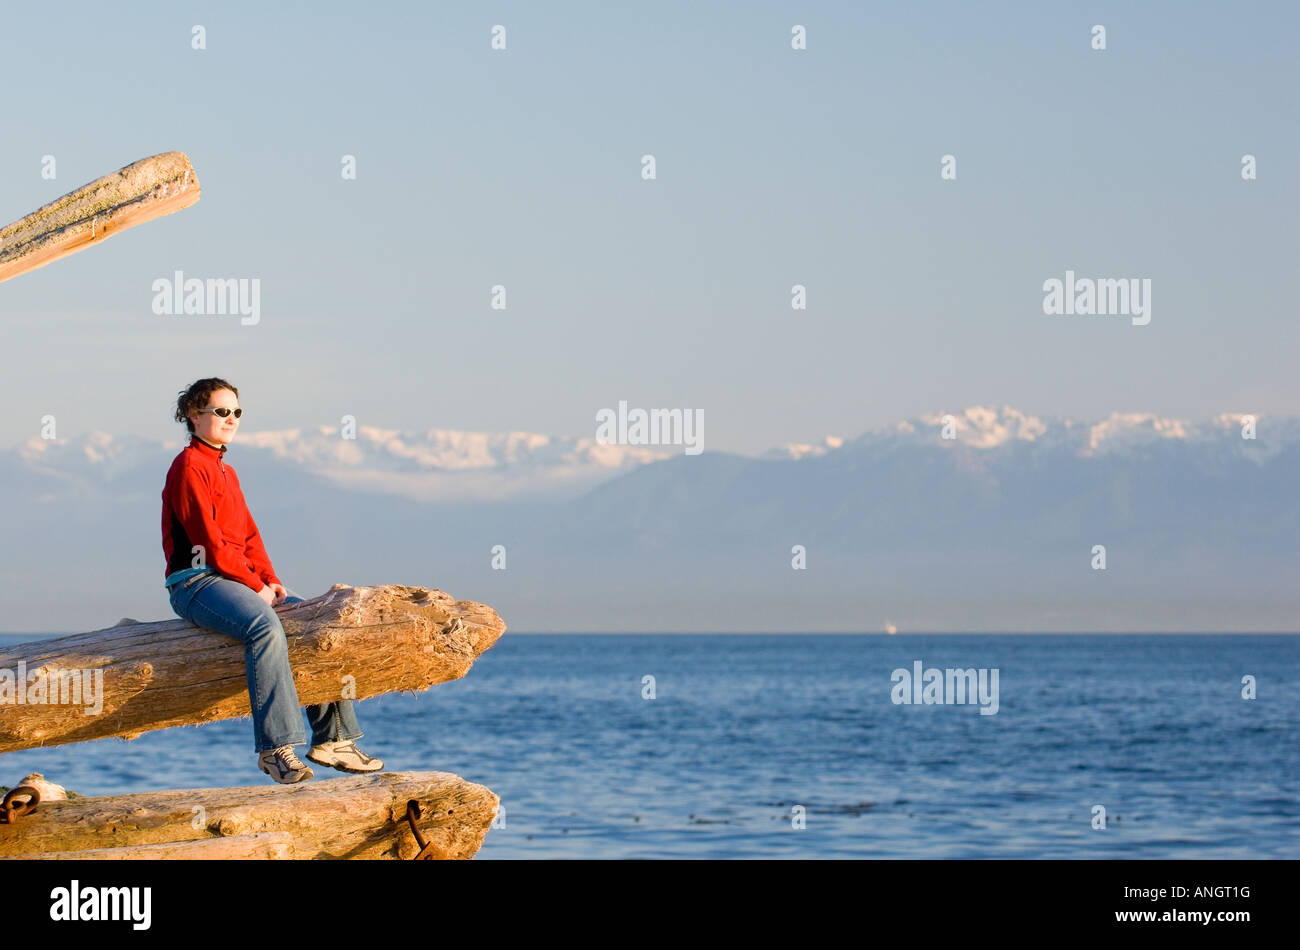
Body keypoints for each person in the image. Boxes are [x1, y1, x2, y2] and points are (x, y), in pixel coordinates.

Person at [161, 377, 384, 783]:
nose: (231, 419)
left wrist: (271, 581)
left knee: (318, 619)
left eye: (237, 412)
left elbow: (248, 537)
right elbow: (208, 544)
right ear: (194, 416)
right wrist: (254, 586)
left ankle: (333, 738)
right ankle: (274, 749)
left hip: (235, 578)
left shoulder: (226, 472)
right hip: (196, 583)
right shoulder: (189, 466)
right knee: (263, 628)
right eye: (221, 411)